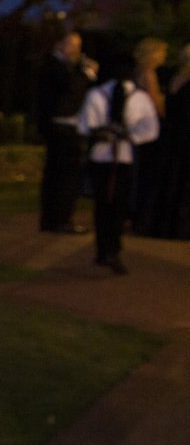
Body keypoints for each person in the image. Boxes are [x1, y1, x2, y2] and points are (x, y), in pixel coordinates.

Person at [76, 57, 160, 275]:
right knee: (117, 204)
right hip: (121, 158)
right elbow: (151, 129)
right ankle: (111, 248)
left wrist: (105, 133)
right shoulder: (139, 97)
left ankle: (104, 248)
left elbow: (85, 125)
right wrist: (131, 136)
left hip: (104, 157)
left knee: (103, 203)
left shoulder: (97, 94)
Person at [35, 31, 98, 233]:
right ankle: (60, 219)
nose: (76, 51)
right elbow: (71, 91)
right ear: (59, 44)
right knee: (65, 176)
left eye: (78, 46)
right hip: (62, 128)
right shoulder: (55, 67)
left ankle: (55, 219)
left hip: (64, 126)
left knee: (59, 175)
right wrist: (86, 74)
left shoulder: (64, 67)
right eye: (72, 45)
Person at [149, 44, 190, 238]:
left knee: (172, 179)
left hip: (173, 136)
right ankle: (179, 227)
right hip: (184, 137)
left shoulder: (175, 77)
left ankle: (165, 224)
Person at [131, 37, 168, 233]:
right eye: (162, 52)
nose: (164, 57)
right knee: (147, 173)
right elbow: (155, 103)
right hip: (149, 128)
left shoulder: (138, 71)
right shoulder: (148, 73)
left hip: (138, 127)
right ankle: (142, 218)